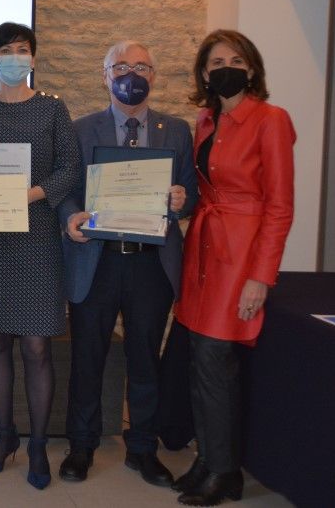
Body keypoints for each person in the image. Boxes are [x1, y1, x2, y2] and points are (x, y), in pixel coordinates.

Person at [57, 40, 197, 487]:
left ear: (153, 76)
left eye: (141, 66)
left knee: (144, 360)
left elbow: (192, 193)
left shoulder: (176, 130)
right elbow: (65, 190)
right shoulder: (80, 129)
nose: (131, 74)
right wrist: (70, 219)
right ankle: (81, 446)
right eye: (120, 67)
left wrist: (182, 199)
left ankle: (142, 449)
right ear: (105, 76)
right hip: (96, 261)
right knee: (87, 358)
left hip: (151, 265)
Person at [0, 22, 80, 490]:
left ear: (33, 58)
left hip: (37, 236)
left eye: (22, 49)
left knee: (37, 346)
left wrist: (29, 194)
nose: (14, 57)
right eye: (5, 50)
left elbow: (69, 167)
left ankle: (38, 443)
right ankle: (4, 436)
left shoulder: (52, 108)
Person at [172, 29, 295, 506]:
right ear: (204, 74)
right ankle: (208, 459)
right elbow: (205, 187)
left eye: (237, 61)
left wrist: (260, 277)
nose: (228, 69)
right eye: (217, 62)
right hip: (204, 248)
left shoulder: (271, 120)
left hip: (241, 255)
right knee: (199, 356)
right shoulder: (206, 119)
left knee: (215, 358)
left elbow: (279, 207)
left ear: (252, 68)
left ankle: (225, 471)